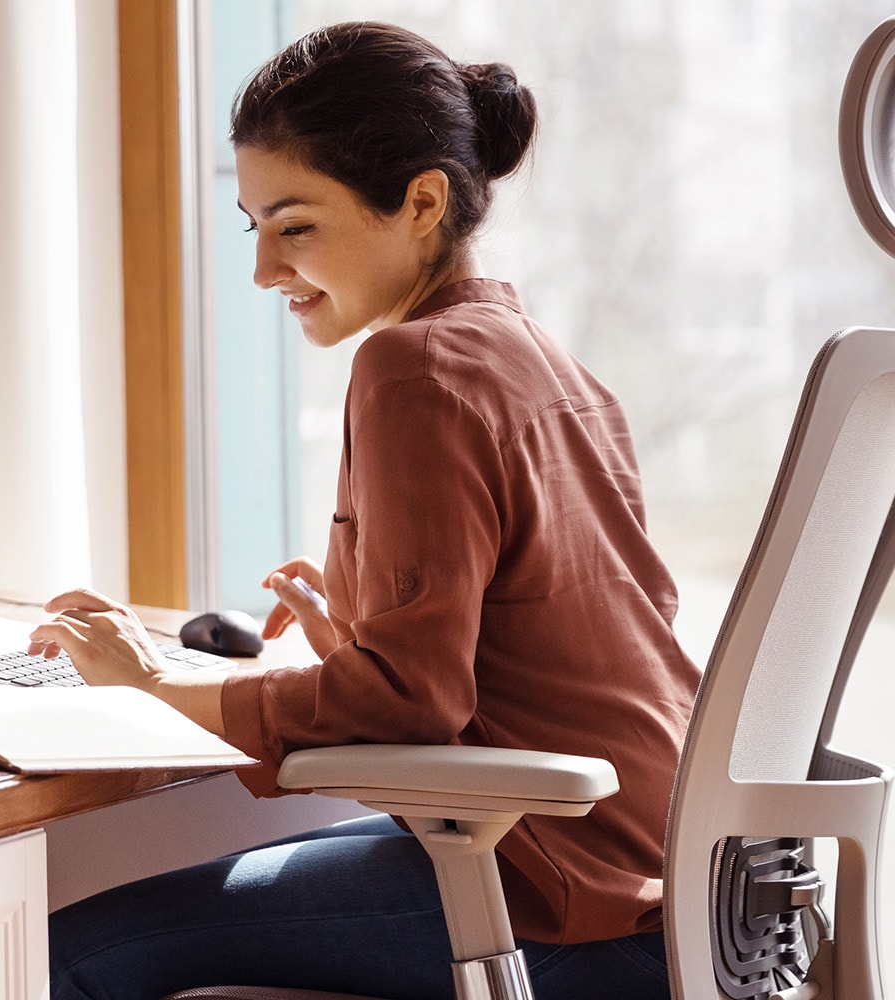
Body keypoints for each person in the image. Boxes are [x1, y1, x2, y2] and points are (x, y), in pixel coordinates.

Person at [35, 22, 701, 1000]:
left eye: (295, 225)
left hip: (560, 902)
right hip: (675, 884)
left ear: (422, 201)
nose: (263, 269)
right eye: (253, 226)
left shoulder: (412, 366)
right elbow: (564, 644)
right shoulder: (550, 364)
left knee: (61, 955)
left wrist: (149, 686)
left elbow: (411, 700)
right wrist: (360, 637)